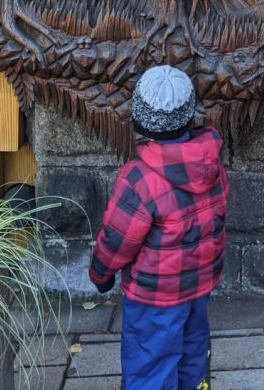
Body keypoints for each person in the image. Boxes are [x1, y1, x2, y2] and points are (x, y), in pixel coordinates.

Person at [89, 65, 229, 390]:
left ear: (139, 118)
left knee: (150, 365)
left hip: (154, 297)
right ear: (188, 115)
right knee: (193, 355)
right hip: (198, 285)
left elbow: (118, 238)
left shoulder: (138, 178)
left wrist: (100, 273)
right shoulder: (211, 163)